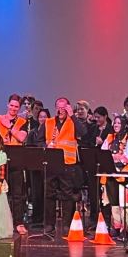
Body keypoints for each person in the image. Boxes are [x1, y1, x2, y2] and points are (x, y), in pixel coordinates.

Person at [33, 97, 87, 235]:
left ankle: (66, 225)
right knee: (49, 194)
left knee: (67, 195)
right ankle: (49, 225)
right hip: (51, 163)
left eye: (64, 107)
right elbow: (38, 141)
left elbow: (83, 133)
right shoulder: (49, 122)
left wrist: (73, 116)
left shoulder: (73, 122)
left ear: (68, 108)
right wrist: (46, 145)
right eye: (58, 107)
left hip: (67, 163)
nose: (60, 110)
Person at [100, 115, 128, 233]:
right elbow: (103, 153)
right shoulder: (110, 137)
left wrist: (119, 158)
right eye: (115, 123)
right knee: (113, 202)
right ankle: (116, 228)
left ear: (124, 125)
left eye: (119, 123)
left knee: (123, 203)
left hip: (124, 175)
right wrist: (111, 158)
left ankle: (125, 229)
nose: (116, 125)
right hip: (111, 174)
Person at [0, 94, 28, 232]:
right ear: (8, 105)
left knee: (17, 194)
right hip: (0, 159)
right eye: (12, 105)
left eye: (17, 106)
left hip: (17, 159)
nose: (14, 108)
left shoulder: (22, 121)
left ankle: (19, 223)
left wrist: (9, 127)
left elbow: (21, 138)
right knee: (0, 193)